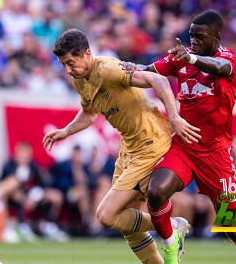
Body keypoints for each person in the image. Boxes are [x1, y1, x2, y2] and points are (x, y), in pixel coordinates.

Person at [121, 11, 236, 264]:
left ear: (217, 37)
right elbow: (151, 73)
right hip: (184, 145)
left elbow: (221, 68)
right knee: (156, 192)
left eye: (200, 37)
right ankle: (171, 241)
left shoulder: (227, 57)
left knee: (231, 220)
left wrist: (191, 57)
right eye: (191, 36)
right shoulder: (183, 57)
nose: (194, 41)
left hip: (215, 152)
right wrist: (128, 71)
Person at [43, 29, 199, 264]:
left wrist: (174, 117)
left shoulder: (109, 70)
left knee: (107, 215)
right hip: (130, 149)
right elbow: (89, 113)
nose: (67, 70)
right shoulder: (79, 80)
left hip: (151, 144)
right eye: (64, 64)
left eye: (70, 63)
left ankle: (174, 225)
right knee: (130, 225)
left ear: (87, 54)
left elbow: (158, 79)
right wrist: (66, 130)